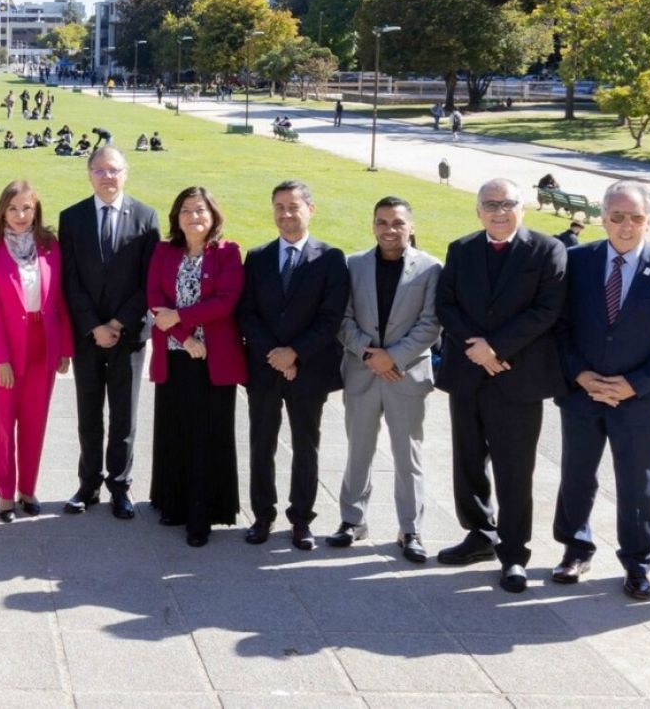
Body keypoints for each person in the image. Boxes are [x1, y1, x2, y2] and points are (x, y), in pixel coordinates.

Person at [549, 181, 650, 599]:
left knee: (637, 485)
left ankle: (637, 563)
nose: (626, 225)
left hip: (640, 400)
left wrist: (634, 384)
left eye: (636, 217)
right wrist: (580, 374)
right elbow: (559, 327)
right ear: (603, 217)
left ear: (649, 220)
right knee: (576, 475)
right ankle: (575, 549)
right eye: (617, 216)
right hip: (583, 394)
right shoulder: (577, 260)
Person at [435, 178, 569, 593]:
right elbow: (446, 304)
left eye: (507, 203)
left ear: (522, 208)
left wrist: (496, 348)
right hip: (468, 374)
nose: (499, 211)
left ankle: (513, 552)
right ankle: (479, 534)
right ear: (478, 210)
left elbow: (547, 309)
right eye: (490, 204)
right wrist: (476, 348)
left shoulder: (547, 250)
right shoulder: (461, 249)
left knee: (515, 470)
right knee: (468, 462)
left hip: (518, 377)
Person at [237, 180, 350, 550]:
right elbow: (247, 313)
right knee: (261, 444)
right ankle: (262, 515)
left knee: (306, 446)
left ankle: (301, 519)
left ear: (310, 210)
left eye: (294, 206)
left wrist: (295, 354)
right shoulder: (257, 257)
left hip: (310, 370)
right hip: (264, 368)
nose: (286, 214)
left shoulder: (331, 258)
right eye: (279, 207)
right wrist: (276, 354)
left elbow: (331, 318)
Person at [331, 196, 440, 562]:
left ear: (411, 226)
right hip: (362, 372)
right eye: (382, 222)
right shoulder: (354, 264)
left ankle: (410, 528)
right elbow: (343, 318)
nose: (389, 229)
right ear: (373, 225)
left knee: (408, 455)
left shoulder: (431, 268)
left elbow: (430, 324)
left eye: (397, 223)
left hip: (405, 375)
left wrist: (392, 357)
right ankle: (352, 520)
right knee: (358, 449)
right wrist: (369, 354)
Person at [57, 147, 161, 517]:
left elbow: (150, 282)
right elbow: (69, 279)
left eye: (114, 170)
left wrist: (116, 324)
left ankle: (120, 486)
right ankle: (88, 485)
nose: (107, 177)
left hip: (128, 336)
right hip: (87, 336)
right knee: (89, 415)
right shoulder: (71, 218)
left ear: (125, 173)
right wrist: (94, 325)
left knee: (123, 417)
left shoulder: (146, 217)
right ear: (89, 174)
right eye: (100, 170)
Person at [145, 187, 245, 546]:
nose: (193, 217)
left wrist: (180, 317)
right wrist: (185, 337)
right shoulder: (163, 251)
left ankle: (202, 514)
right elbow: (155, 298)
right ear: (177, 217)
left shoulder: (228, 252)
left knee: (206, 435)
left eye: (200, 209)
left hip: (213, 361)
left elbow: (225, 302)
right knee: (174, 431)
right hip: (175, 356)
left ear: (212, 214)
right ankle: (172, 504)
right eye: (186, 210)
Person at [0, 180, 75, 522]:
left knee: (35, 422)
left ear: (36, 211)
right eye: (14, 208)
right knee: (5, 424)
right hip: (7, 347)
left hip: (43, 346)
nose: (20, 215)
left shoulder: (49, 246)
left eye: (27, 208)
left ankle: (28, 489)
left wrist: (64, 348)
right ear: (2, 211)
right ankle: (5, 493)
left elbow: (59, 299)